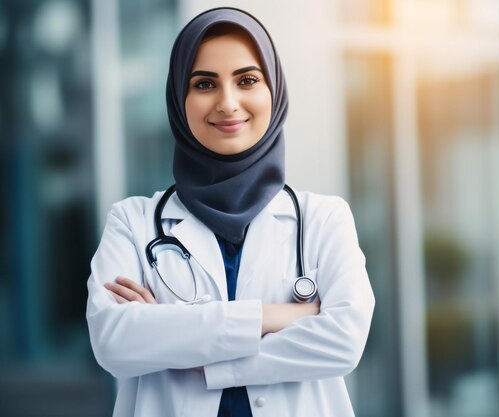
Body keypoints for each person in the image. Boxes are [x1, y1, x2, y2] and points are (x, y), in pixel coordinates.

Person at [86, 7, 375, 417]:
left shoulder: (324, 218)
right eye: (204, 83)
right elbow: (114, 342)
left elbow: (343, 342)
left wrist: (189, 345)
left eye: (247, 80)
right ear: (178, 99)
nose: (227, 103)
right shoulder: (133, 222)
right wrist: (274, 316)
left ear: (273, 91)